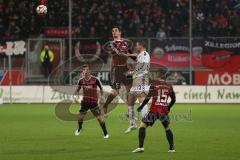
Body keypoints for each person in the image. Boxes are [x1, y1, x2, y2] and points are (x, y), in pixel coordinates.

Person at [132, 69, 176, 153]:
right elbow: (173, 100)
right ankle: (171, 148)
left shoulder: (154, 84)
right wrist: (168, 107)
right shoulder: (169, 86)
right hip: (164, 111)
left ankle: (140, 147)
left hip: (154, 110)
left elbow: (148, 97)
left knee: (142, 126)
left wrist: (141, 106)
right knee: (167, 128)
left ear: (158, 75)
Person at [103, 26, 134, 117]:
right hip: (116, 69)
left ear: (120, 32)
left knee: (130, 90)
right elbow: (119, 54)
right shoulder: (110, 44)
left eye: (116, 31)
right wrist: (122, 53)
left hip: (126, 69)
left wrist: (138, 58)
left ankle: (129, 111)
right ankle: (105, 106)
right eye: (113, 31)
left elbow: (129, 53)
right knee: (115, 92)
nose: (114, 32)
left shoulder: (126, 42)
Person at [74, 64, 109, 139]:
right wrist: (75, 97)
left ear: (89, 71)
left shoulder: (95, 79)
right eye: (84, 70)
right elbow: (77, 90)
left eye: (87, 69)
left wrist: (102, 97)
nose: (86, 71)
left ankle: (105, 133)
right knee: (80, 118)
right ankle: (79, 129)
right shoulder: (81, 81)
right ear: (82, 71)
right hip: (85, 102)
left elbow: (101, 88)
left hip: (93, 102)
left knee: (99, 119)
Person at [125, 41, 150, 134]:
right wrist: (129, 54)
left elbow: (144, 66)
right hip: (136, 79)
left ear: (141, 46)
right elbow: (136, 57)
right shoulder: (140, 55)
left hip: (142, 78)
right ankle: (132, 123)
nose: (136, 46)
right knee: (130, 100)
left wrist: (133, 72)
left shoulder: (145, 54)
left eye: (137, 45)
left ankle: (146, 120)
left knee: (141, 98)